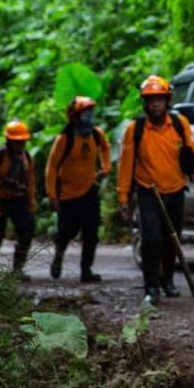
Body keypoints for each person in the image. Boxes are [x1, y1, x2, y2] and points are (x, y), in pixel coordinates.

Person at [117, 75, 194, 303]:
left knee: (172, 239)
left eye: (159, 99)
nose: (155, 104)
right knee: (151, 240)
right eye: (150, 100)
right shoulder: (135, 129)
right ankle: (152, 287)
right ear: (144, 103)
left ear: (167, 101)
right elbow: (126, 164)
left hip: (176, 191)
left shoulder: (179, 124)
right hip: (148, 193)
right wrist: (123, 197)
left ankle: (168, 280)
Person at [46, 96, 111, 283]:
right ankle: (58, 257)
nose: (89, 115)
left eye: (90, 111)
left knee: (91, 232)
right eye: (84, 112)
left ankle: (86, 270)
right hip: (68, 195)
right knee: (67, 232)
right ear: (75, 116)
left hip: (89, 191)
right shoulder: (64, 140)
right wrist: (52, 196)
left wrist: (105, 168)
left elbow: (106, 149)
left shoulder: (97, 135)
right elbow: (51, 169)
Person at [0, 121, 37, 278]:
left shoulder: (26, 157)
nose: (19, 144)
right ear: (9, 140)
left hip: (19, 200)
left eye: (22, 141)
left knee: (27, 231)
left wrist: (31, 200)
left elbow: (30, 180)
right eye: (16, 141)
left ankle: (17, 269)